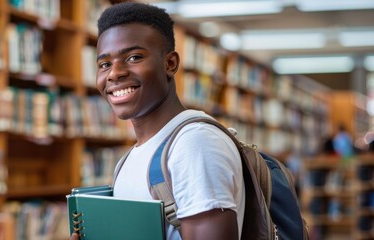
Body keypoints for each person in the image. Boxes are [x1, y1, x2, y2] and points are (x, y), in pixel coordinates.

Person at [71, 2, 245, 240]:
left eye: (133, 57)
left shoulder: (195, 143)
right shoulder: (129, 159)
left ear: (170, 64)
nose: (114, 73)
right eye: (105, 64)